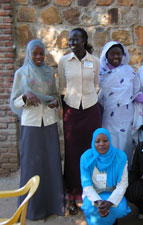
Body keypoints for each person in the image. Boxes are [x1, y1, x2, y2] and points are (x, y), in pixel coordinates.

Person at [10, 39, 64, 220]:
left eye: (42, 53)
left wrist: (56, 103)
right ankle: (31, 209)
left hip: (49, 123)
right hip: (31, 124)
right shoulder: (21, 73)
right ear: (29, 54)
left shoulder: (49, 72)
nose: (39, 57)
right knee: (31, 165)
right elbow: (14, 102)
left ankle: (53, 206)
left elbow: (55, 96)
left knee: (51, 163)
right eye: (35, 53)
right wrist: (25, 96)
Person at [58, 28, 102, 214]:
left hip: (91, 110)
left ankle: (90, 193)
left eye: (76, 39)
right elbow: (61, 87)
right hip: (72, 112)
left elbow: (97, 85)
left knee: (92, 151)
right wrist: (67, 108)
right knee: (72, 153)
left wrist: (89, 100)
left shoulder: (95, 61)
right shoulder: (64, 61)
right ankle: (73, 193)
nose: (72, 42)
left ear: (84, 40)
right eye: (70, 39)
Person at [98, 41, 142, 166]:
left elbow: (137, 94)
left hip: (126, 117)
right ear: (106, 56)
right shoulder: (99, 74)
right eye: (112, 54)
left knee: (124, 146)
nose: (116, 57)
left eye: (119, 54)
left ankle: (124, 179)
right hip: (107, 118)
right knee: (108, 144)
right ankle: (108, 177)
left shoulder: (129, 71)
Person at [80, 128, 131, 225]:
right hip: (94, 194)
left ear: (110, 141)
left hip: (112, 193)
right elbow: (86, 185)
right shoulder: (86, 158)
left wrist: (110, 202)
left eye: (105, 141)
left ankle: (109, 219)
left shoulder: (120, 157)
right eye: (97, 141)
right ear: (93, 143)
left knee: (120, 210)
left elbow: (123, 184)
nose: (101, 144)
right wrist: (98, 201)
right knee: (88, 208)